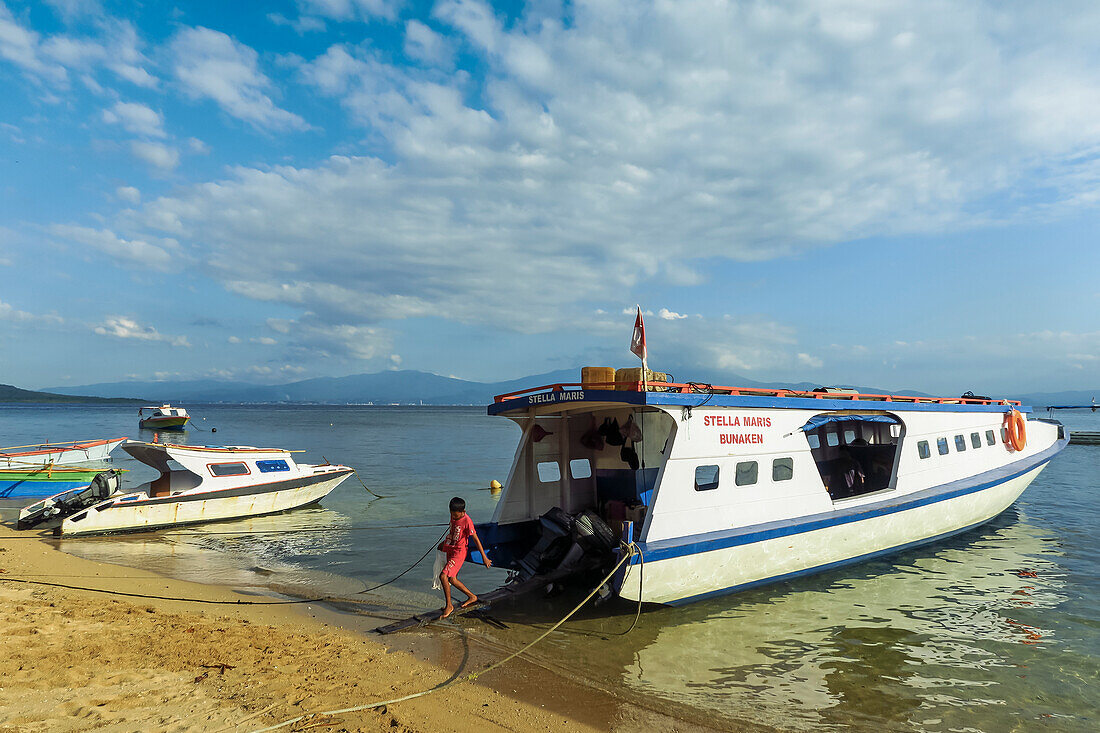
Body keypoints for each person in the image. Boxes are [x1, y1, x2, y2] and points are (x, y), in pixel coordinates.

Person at [439, 496, 491, 619]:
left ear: (463, 512)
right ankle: (472, 597)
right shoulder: (453, 516)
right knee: (452, 579)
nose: (454, 517)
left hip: (459, 552)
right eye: (452, 514)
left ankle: (449, 606)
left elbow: (476, 539)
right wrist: (443, 543)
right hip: (450, 548)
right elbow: (453, 531)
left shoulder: (467, 521)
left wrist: (484, 557)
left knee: (443, 576)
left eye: (456, 515)